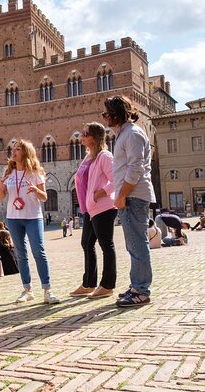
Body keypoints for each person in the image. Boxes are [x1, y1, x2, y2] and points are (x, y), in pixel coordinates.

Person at [103, 96, 155, 307]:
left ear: (117, 114)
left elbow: (135, 169)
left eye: (106, 113)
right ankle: (137, 286)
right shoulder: (124, 134)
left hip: (133, 196)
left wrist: (122, 195)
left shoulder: (132, 134)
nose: (104, 117)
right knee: (133, 244)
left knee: (137, 243)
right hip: (130, 195)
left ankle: (141, 290)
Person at [0, 139, 59, 304]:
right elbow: (1, 198)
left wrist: (37, 190)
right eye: (13, 149)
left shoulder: (35, 172)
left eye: (17, 149)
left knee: (38, 252)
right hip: (13, 218)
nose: (13, 151)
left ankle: (47, 289)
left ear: (26, 153)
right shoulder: (8, 174)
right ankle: (27, 289)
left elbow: (44, 197)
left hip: (33, 216)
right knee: (21, 254)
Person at [70, 121, 117, 300]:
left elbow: (115, 179)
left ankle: (107, 285)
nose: (81, 136)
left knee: (106, 245)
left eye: (85, 133)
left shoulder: (105, 156)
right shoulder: (89, 156)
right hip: (90, 209)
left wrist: (100, 193)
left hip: (104, 207)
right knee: (87, 244)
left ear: (95, 138)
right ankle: (89, 283)